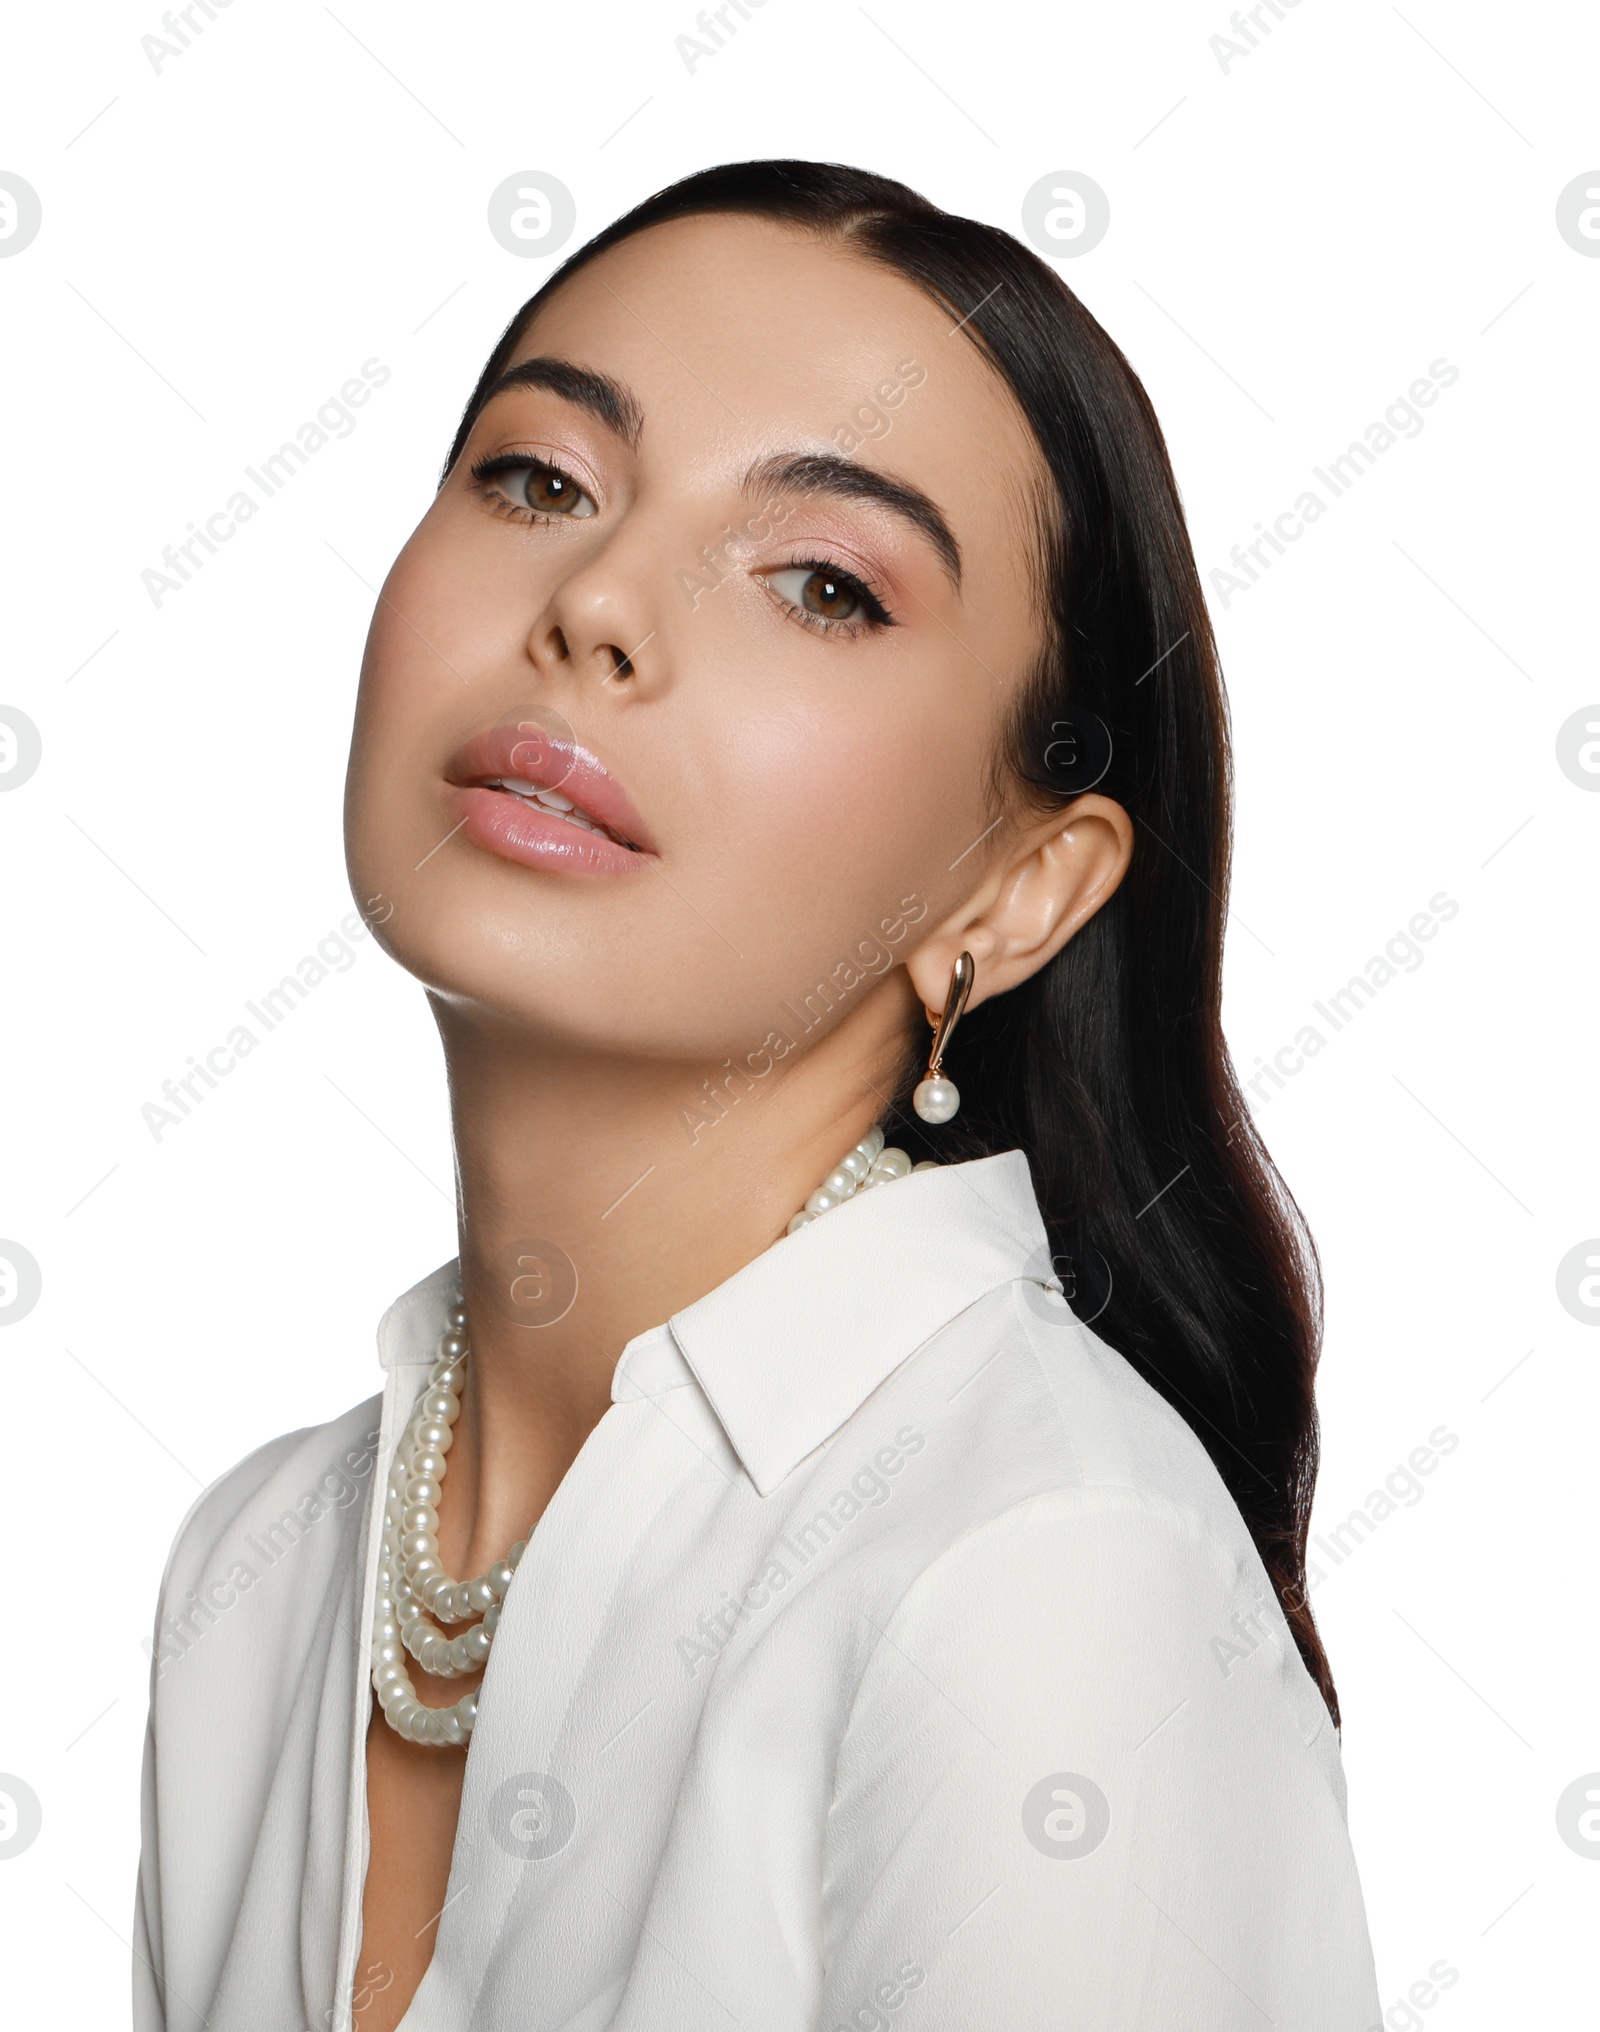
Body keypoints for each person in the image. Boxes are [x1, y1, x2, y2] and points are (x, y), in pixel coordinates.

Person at [134, 159, 1383, 2030]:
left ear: (1015, 891)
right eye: (541, 479)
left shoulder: (1040, 1577)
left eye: (822, 584)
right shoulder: (264, 1565)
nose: (602, 601)